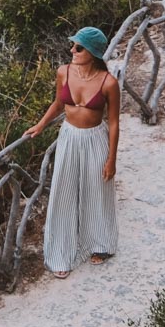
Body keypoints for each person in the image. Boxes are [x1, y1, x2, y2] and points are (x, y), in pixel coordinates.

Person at [25, 26, 119, 278]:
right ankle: (60, 254)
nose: (72, 50)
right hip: (68, 137)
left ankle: (101, 244)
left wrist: (112, 159)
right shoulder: (63, 72)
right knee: (63, 193)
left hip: (95, 139)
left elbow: (114, 122)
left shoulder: (108, 83)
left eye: (78, 47)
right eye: (73, 45)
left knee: (97, 190)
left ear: (92, 52)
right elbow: (58, 103)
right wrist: (40, 124)